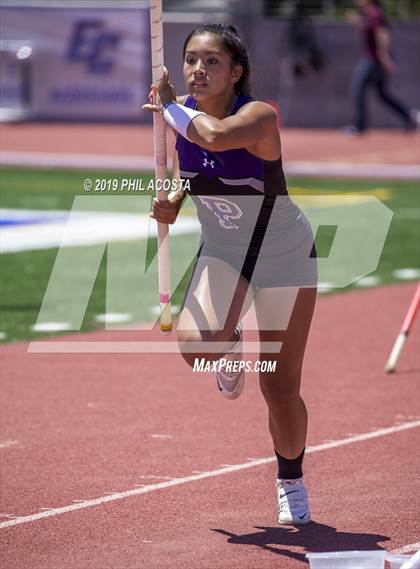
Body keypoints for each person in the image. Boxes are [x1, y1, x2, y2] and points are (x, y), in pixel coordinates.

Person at [143, 24, 317, 525]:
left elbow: (216, 139)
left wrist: (172, 106)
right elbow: (192, 170)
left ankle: (291, 479)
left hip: (283, 255)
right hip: (224, 251)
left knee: (280, 388)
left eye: (211, 61)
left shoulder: (258, 116)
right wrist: (173, 198)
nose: (198, 70)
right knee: (196, 345)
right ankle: (231, 340)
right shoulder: (182, 122)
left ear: (236, 71)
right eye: (191, 60)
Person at [347, 0, 418, 133]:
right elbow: (371, 29)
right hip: (375, 59)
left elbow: (382, 33)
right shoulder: (369, 14)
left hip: (374, 59)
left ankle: (359, 126)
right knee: (382, 94)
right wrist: (358, 22)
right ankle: (410, 115)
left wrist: (384, 57)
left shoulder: (375, 13)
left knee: (357, 87)